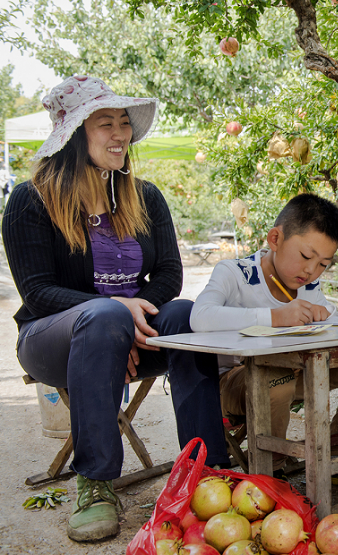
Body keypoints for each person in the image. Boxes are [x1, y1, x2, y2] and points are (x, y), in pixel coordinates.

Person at [0, 75, 229, 543]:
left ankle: (205, 471)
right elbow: (39, 292)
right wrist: (115, 316)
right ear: (73, 136)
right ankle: (96, 484)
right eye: (105, 123)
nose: (120, 133)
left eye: (123, 122)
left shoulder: (146, 198)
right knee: (103, 317)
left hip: (129, 332)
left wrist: (130, 320)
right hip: (51, 340)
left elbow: (168, 276)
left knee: (185, 313)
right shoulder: (31, 200)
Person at [190, 193, 338, 484]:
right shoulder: (234, 274)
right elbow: (200, 316)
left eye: (323, 264)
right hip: (237, 382)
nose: (311, 271)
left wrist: (329, 318)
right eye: (307, 257)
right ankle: (271, 470)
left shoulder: (309, 286)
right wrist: (275, 317)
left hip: (299, 371)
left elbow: (327, 321)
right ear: (275, 239)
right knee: (275, 376)